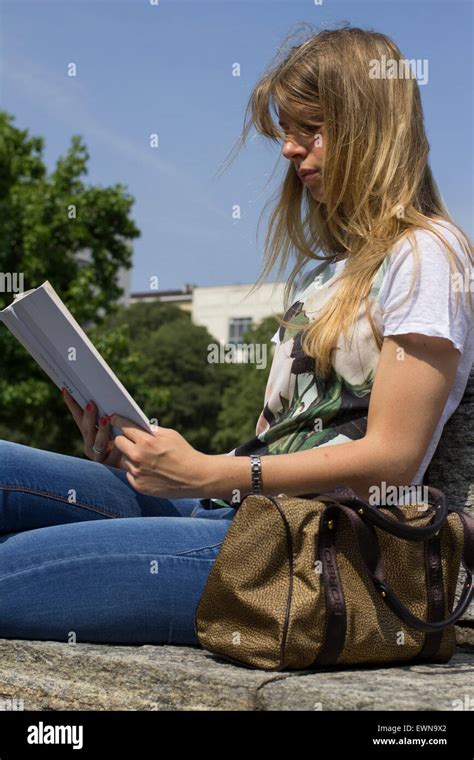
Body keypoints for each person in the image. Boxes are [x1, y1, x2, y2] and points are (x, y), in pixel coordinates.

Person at [0, 26, 472, 647]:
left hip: (304, 551)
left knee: (13, 572)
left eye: (312, 128)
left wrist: (209, 476)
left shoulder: (427, 255)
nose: (288, 148)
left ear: (372, 129)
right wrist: (147, 458)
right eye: (286, 129)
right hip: (236, 513)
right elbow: (273, 444)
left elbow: (391, 461)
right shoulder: (324, 272)